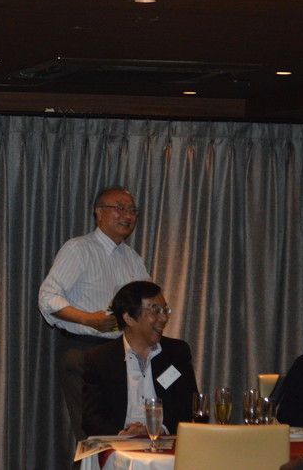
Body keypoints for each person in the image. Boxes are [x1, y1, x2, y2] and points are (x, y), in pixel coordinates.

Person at [38, 186, 150, 443]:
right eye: (120, 208)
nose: (128, 215)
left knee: (122, 431)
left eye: (133, 210)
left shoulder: (132, 258)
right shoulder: (78, 249)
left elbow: (147, 301)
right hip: (83, 351)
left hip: (122, 353)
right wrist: (90, 319)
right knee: (92, 435)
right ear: (99, 213)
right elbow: (48, 298)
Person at [82, 281, 197, 436]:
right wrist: (123, 435)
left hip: (164, 440)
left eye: (165, 310)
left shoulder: (176, 352)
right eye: (155, 311)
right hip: (119, 443)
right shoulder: (100, 359)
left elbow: (188, 406)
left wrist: (159, 429)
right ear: (129, 318)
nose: (163, 318)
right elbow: (92, 419)